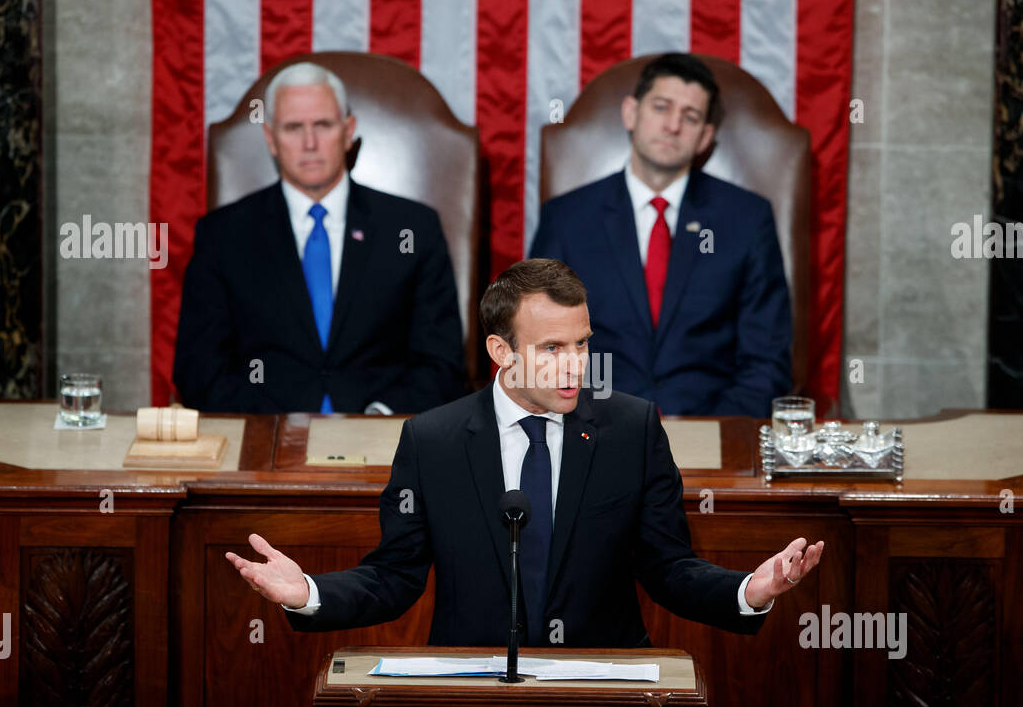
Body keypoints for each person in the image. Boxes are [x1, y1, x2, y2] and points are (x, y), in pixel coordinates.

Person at [225, 258, 823, 648]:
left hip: (603, 690)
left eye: (583, 344)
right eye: (552, 347)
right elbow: (394, 578)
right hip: (472, 697)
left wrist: (749, 590)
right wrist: (308, 592)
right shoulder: (433, 440)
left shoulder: (630, 429)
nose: (575, 365)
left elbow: (669, 569)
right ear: (501, 351)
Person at [172, 61, 465, 414]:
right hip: (263, 444)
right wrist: (271, 429)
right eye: (293, 128)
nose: (309, 143)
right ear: (270, 139)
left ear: (347, 131)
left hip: (384, 438)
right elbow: (198, 369)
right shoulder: (223, 235)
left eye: (323, 125)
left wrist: (379, 419)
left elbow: (442, 362)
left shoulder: (413, 228)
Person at [528, 52, 791, 417]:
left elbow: (766, 360)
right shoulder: (568, 218)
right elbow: (538, 345)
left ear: (705, 137)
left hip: (711, 428)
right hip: (592, 425)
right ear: (631, 113)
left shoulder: (747, 220)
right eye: (662, 108)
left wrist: (721, 432)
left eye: (690, 117)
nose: (673, 126)